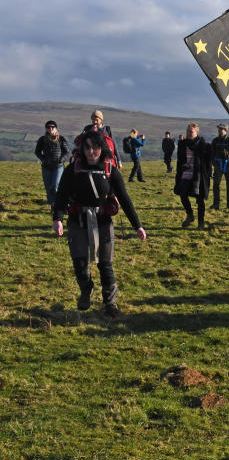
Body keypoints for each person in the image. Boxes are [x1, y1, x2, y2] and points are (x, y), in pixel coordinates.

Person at [53, 131, 146, 317]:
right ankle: (86, 290)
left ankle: (110, 303)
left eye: (94, 147)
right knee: (79, 263)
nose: (91, 151)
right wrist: (58, 219)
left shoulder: (110, 169)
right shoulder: (73, 169)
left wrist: (138, 226)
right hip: (78, 221)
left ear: (101, 148)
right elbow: (61, 195)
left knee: (105, 264)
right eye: (86, 147)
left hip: (103, 221)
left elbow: (125, 199)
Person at [174, 123, 212, 229]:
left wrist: (208, 174)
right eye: (187, 131)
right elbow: (179, 160)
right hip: (185, 173)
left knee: (199, 199)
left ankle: (201, 222)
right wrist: (178, 173)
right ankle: (190, 215)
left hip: (199, 175)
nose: (189, 133)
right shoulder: (182, 144)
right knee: (182, 195)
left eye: (191, 132)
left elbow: (208, 161)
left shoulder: (204, 145)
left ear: (196, 132)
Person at [35, 120, 70, 208]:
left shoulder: (61, 139)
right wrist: (43, 159)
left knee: (55, 186)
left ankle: (60, 205)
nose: (50, 128)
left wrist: (61, 160)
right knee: (49, 188)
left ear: (55, 128)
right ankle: (53, 206)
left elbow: (66, 152)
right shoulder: (42, 139)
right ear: (46, 128)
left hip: (58, 167)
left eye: (52, 127)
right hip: (46, 167)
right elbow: (37, 152)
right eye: (48, 127)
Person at [210, 123, 229, 210]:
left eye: (221, 129)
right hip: (218, 166)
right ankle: (216, 204)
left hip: (228, 166)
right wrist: (213, 162)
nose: (219, 130)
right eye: (219, 129)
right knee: (216, 185)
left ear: (226, 130)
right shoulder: (215, 141)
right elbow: (212, 153)